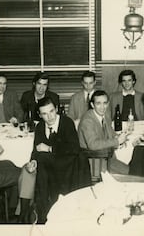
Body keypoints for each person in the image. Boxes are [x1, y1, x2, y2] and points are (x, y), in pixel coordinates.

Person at [27, 96, 91, 224]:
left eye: (51, 111)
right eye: (44, 114)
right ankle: (43, 213)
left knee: (43, 159)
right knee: (40, 159)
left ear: (56, 109)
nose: (49, 117)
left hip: (69, 166)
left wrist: (50, 148)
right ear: (40, 115)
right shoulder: (40, 126)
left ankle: (45, 213)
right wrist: (33, 161)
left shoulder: (66, 122)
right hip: (51, 167)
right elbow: (37, 148)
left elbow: (73, 148)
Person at [78, 90, 129, 174]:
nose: (102, 107)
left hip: (107, 158)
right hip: (93, 163)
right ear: (92, 105)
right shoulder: (87, 121)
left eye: (105, 103)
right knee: (131, 176)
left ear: (108, 104)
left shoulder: (105, 115)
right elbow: (93, 145)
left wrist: (117, 136)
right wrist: (117, 141)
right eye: (98, 103)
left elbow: (110, 131)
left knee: (133, 171)